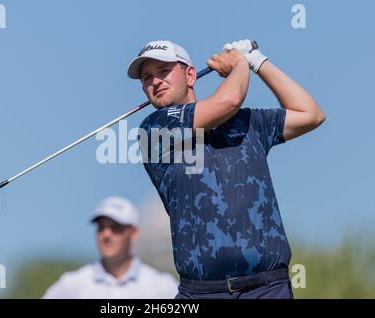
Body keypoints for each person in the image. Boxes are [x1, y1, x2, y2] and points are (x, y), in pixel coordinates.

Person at [128, 39, 325, 299]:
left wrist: (259, 62)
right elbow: (229, 99)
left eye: (163, 71)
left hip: (267, 289)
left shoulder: (248, 122)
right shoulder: (154, 130)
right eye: (147, 78)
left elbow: (311, 114)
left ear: (190, 75)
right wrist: (240, 65)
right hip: (201, 293)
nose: (155, 81)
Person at [42, 196, 179, 299]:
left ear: (134, 233)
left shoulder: (161, 287)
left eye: (116, 227)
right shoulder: (72, 285)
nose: (106, 234)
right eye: (101, 228)